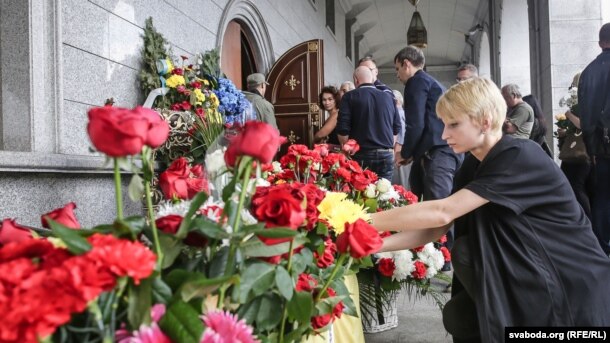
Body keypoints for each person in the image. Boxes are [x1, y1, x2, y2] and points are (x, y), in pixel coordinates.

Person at [370, 77, 610, 342]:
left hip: (569, 285)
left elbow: (442, 212)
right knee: (460, 316)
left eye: (453, 124)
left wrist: (359, 221)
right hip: (527, 274)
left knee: (465, 268)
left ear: (485, 121)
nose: (443, 135)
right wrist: (372, 245)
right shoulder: (473, 165)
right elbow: (436, 227)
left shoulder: (519, 155)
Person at [394, 45, 463, 272]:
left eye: (398, 70)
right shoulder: (430, 83)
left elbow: (416, 124)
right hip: (435, 151)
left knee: (438, 206)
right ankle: (430, 255)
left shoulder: (416, 82)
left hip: (438, 153)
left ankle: (446, 261)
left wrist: (404, 154)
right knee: (422, 201)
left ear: (407, 63)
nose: (398, 76)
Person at [577, 22, 610, 255]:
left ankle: (602, 248)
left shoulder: (588, 72)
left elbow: (586, 116)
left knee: (602, 197)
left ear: (600, 43)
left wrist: (591, 150)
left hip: (600, 147)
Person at [336, 67, 401, 181]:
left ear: (356, 80)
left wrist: (347, 149)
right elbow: (396, 127)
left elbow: (343, 128)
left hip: (360, 154)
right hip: (385, 155)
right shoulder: (389, 97)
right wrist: (388, 146)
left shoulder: (349, 96)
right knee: (384, 194)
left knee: (360, 195)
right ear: (372, 79)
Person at [560, 72, 593, 220]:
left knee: (577, 186)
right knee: (570, 185)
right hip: (576, 151)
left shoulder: (587, 102)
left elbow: (583, 125)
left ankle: (586, 219)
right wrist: (565, 131)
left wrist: (568, 115)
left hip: (583, 152)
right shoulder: (579, 102)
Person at [391, 89, 410, 189]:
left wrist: (396, 152)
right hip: (404, 152)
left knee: (401, 184)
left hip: (399, 152)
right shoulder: (404, 113)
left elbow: (401, 134)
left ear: (396, 101)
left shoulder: (398, 113)